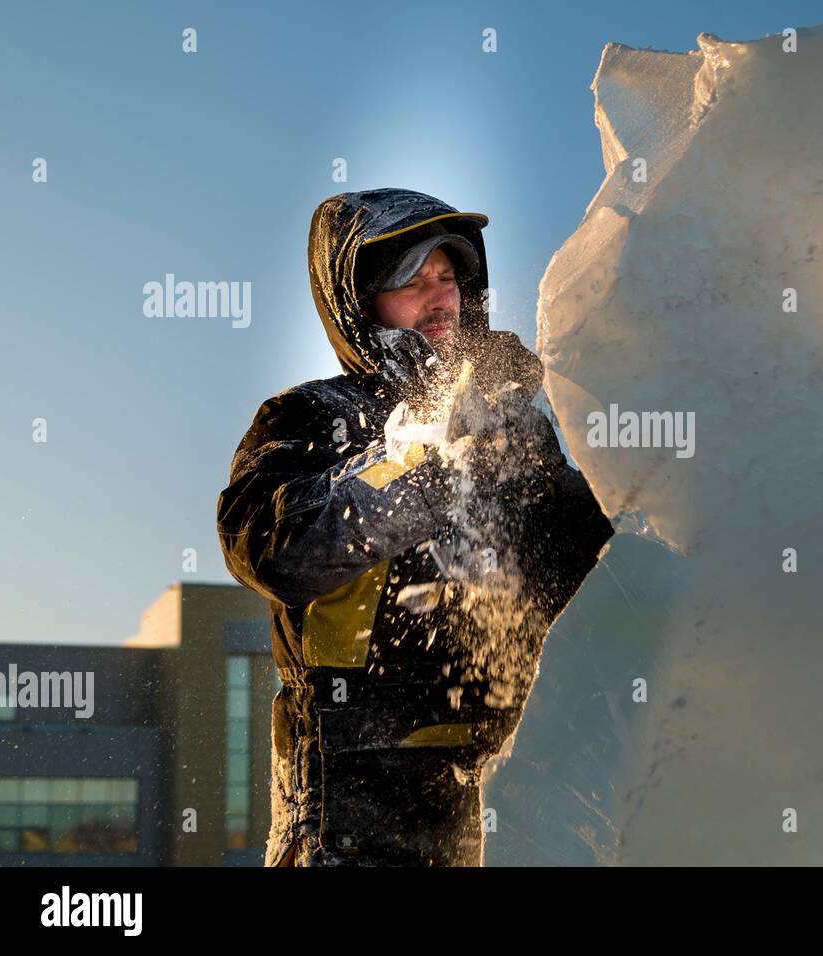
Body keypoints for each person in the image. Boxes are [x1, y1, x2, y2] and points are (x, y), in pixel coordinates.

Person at [216, 187, 614, 866]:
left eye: (449, 278)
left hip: (509, 791)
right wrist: (436, 465)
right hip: (352, 808)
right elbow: (278, 552)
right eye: (411, 281)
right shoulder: (308, 419)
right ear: (359, 300)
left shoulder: (506, 427)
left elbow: (589, 578)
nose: (440, 298)